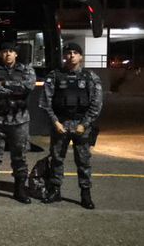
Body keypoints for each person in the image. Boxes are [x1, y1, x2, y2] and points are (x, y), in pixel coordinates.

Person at [39, 43, 104, 209]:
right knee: (56, 159)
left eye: (75, 53)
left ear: (81, 56)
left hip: (81, 125)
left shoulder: (90, 77)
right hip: (60, 124)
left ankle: (85, 193)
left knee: (83, 162)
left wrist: (85, 124)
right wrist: (55, 122)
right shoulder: (54, 76)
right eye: (68, 53)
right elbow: (46, 103)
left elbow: (96, 104)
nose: (71, 56)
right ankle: (55, 190)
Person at [0, 41, 37, 203]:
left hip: (19, 120)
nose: (8, 54)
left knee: (20, 156)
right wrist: (15, 88)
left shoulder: (26, 69)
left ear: (16, 54)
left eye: (11, 51)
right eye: (4, 52)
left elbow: (28, 86)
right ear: (0, 55)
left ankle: (19, 190)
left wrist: (4, 83)